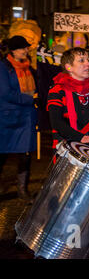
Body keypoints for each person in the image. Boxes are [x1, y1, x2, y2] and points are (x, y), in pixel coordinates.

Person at [47, 48, 89, 151]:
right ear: (69, 67)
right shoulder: (57, 90)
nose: (88, 64)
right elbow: (56, 122)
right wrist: (82, 138)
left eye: (88, 60)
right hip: (66, 147)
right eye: (81, 60)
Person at [0, 36, 37, 202]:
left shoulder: (29, 67)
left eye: (27, 48)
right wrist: (31, 99)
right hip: (7, 118)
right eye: (24, 48)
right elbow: (5, 93)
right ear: (14, 50)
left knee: (25, 154)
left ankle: (23, 190)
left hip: (26, 117)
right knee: (2, 155)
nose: (27, 51)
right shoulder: (3, 67)